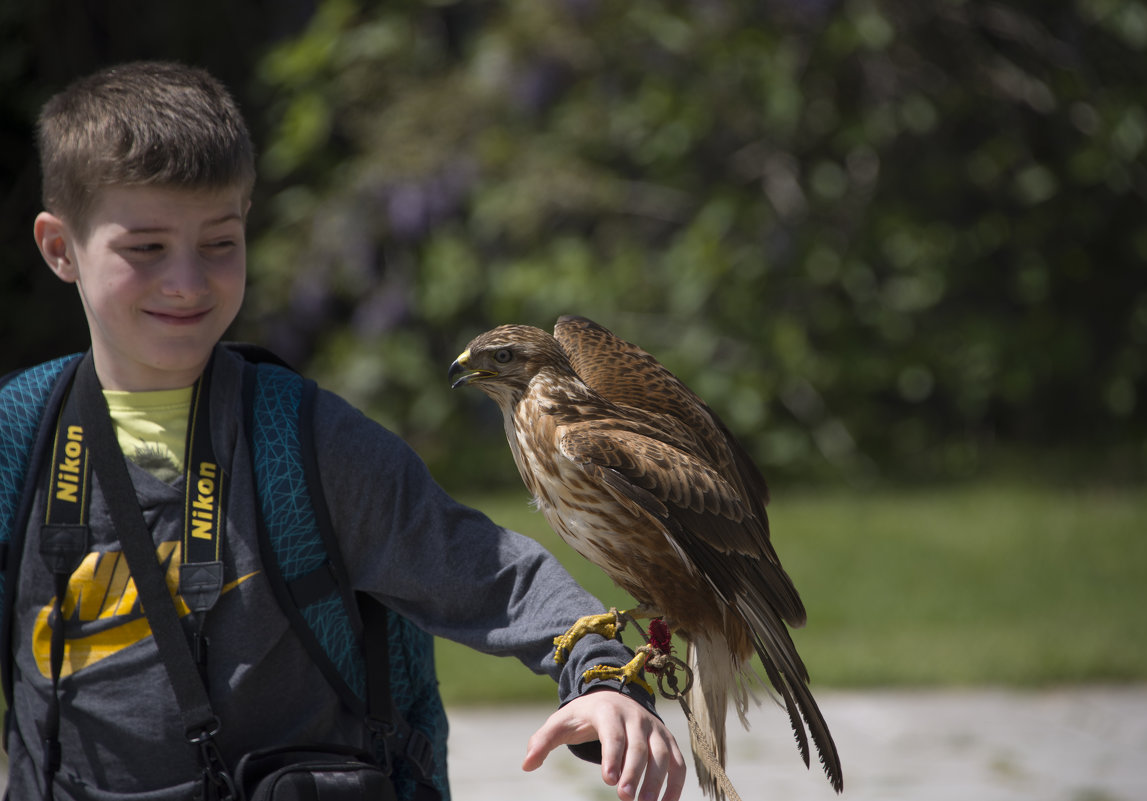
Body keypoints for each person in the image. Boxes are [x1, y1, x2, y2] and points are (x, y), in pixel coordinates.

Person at [8, 60, 685, 801]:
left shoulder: (305, 443)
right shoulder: (19, 437)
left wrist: (597, 675)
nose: (188, 281)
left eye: (220, 243)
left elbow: (493, 574)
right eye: (146, 249)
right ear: (59, 247)